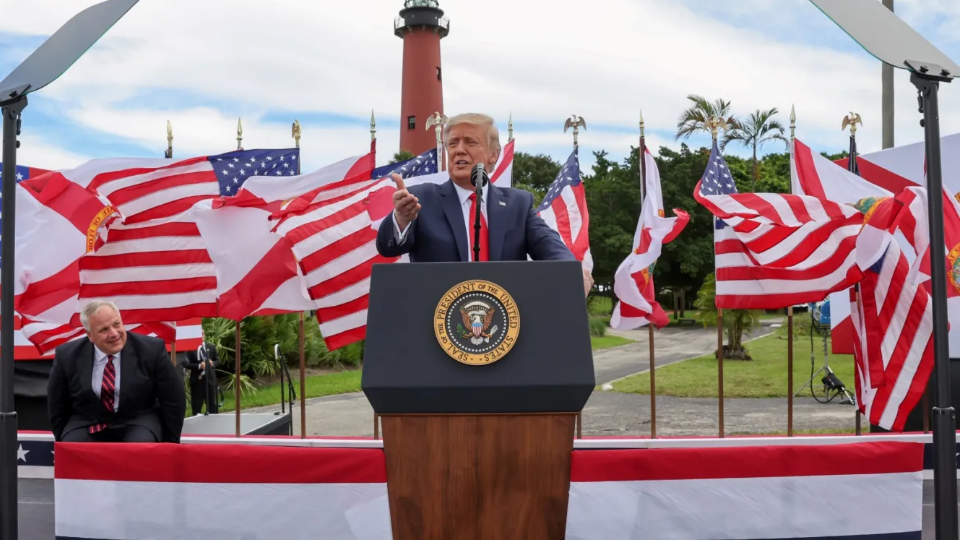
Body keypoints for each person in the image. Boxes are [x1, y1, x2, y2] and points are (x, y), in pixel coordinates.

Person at [375, 112, 593, 295]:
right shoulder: (422, 199)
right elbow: (389, 247)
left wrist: (572, 270)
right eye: (453, 144)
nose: (459, 150)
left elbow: (549, 246)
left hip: (502, 325)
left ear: (493, 155)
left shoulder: (518, 203)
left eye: (470, 142)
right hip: (439, 324)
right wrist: (401, 219)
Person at [46, 300, 186, 443]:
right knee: (72, 446)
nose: (113, 333)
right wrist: (62, 437)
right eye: (104, 329)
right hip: (87, 420)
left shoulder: (151, 350)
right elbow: (57, 404)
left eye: (116, 324)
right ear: (90, 335)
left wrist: (170, 443)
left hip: (138, 419)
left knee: (139, 447)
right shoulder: (67, 355)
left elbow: (173, 399)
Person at [182, 330, 220, 416]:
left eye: (202, 334)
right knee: (196, 407)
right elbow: (186, 363)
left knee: (212, 407)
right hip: (197, 381)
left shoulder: (211, 347)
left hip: (210, 381)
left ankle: (214, 426)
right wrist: (199, 366)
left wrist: (213, 363)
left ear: (204, 335)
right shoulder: (190, 349)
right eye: (199, 334)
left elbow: (217, 360)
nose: (201, 335)